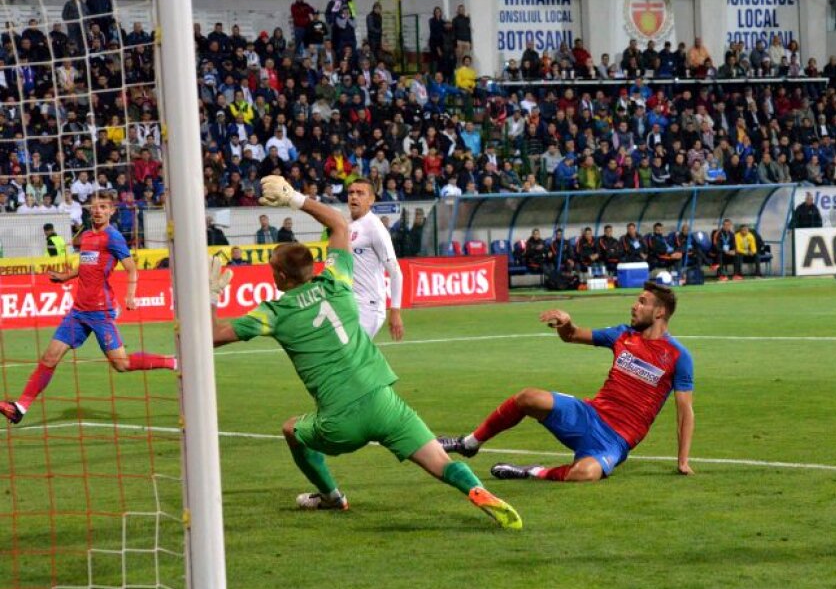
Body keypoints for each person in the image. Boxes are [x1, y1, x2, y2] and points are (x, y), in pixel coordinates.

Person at [207, 175, 521, 527]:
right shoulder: (337, 281)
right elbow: (339, 225)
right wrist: (294, 198)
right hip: (383, 401)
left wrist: (211, 297)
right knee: (439, 461)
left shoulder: (273, 312)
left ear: (279, 277)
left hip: (340, 421)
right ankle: (476, 490)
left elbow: (210, 337)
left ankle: (331, 496)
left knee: (292, 430)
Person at [439, 283, 694, 482]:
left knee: (586, 473)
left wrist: (682, 461)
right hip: (589, 414)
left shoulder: (678, 356)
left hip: (615, 441)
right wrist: (566, 324)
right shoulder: (622, 335)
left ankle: (532, 472)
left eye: (642, 302)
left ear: (660, 312)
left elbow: (685, 412)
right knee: (528, 397)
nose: (634, 306)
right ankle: (469, 444)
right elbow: (572, 335)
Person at [1, 192, 176, 425]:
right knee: (50, 357)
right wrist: (65, 277)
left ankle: (172, 362)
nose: (97, 210)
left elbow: (132, 268)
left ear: (111, 211)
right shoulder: (86, 236)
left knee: (121, 364)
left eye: (103, 207)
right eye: (94, 206)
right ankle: (20, 407)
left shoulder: (113, 237)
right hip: (78, 312)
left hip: (100, 312)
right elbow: (85, 266)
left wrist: (130, 295)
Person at [347, 179, 405, 340]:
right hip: (348, 302)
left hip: (368, 306)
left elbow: (395, 272)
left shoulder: (375, 228)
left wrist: (395, 311)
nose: (354, 197)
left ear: (371, 200)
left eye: (360, 193)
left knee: (352, 353)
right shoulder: (347, 224)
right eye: (351, 193)